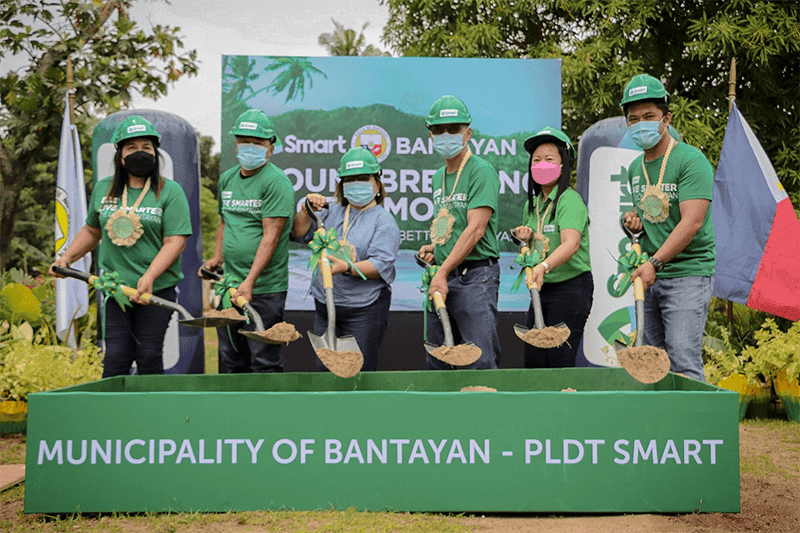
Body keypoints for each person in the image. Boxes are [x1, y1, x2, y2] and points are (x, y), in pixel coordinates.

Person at [49, 115, 191, 378]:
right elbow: (92, 230)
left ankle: (153, 416)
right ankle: (113, 416)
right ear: (120, 155)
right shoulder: (104, 189)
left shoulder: (170, 192)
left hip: (155, 290)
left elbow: (175, 243)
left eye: (146, 147)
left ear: (156, 153)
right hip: (116, 289)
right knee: (115, 358)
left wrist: (149, 277)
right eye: (132, 147)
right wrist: (66, 258)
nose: (140, 153)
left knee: (148, 356)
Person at [621, 74, 716, 381]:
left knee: (682, 359)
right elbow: (652, 215)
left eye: (649, 116)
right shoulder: (636, 168)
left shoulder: (691, 160)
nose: (641, 124)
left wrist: (654, 262)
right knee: (651, 363)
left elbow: (692, 222)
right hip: (652, 276)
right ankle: (659, 429)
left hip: (688, 273)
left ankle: (697, 429)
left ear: (666, 117)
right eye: (633, 119)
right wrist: (633, 222)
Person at [201, 109, 294, 373]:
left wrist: (250, 281)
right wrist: (217, 259)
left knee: (264, 362)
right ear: (236, 144)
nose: (249, 147)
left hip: (265, 289)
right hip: (230, 286)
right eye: (244, 141)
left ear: (270, 147)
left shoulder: (276, 182)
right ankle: (232, 414)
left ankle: (267, 414)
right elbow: (224, 221)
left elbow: (272, 236)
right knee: (230, 360)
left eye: (257, 142)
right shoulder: (227, 179)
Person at [291, 147, 400, 372]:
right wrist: (306, 209)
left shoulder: (384, 221)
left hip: (364, 309)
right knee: (325, 371)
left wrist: (346, 268)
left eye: (363, 178)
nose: (356, 183)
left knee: (357, 372)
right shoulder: (331, 210)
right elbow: (300, 234)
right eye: (350, 179)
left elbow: (380, 264)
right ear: (341, 185)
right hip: (326, 305)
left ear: (377, 184)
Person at [418, 95, 501, 370]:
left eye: (453, 130)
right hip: (445, 275)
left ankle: (485, 413)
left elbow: (476, 229)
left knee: (479, 360)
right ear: (430, 135)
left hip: (475, 278)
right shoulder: (437, 176)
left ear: (468, 133)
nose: (446, 136)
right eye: (439, 130)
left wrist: (441, 271)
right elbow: (451, 226)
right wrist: (436, 250)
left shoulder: (481, 171)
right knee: (439, 358)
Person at [513, 127, 593, 368]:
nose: (541, 164)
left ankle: (564, 406)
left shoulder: (569, 200)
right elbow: (534, 249)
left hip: (571, 289)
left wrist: (544, 266)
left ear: (563, 164)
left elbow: (571, 243)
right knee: (535, 361)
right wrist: (524, 238)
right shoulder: (532, 205)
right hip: (541, 290)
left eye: (549, 159)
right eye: (536, 160)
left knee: (560, 362)